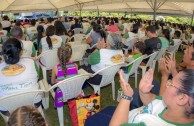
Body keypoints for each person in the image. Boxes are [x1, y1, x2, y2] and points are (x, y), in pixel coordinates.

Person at [110, 68, 194, 126]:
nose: (166, 85)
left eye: (170, 83)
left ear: (182, 98)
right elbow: (155, 103)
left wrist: (126, 96)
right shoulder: (173, 107)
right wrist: (144, 93)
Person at [0, 38, 40, 112]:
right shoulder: (30, 62)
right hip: (33, 101)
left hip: (6, 107)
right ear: (21, 51)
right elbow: (37, 77)